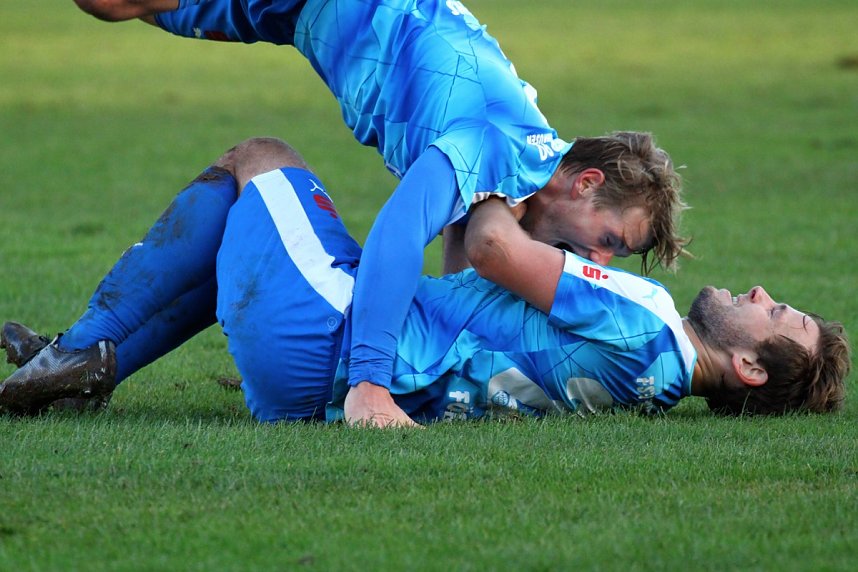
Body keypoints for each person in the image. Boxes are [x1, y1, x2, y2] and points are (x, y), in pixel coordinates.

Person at [67, 0, 688, 426]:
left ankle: (76, 359)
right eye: (611, 239)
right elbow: (398, 232)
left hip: (300, 16)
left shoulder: (511, 184)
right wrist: (369, 382)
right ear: (585, 183)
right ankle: (79, 353)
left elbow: (454, 298)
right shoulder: (501, 143)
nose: (600, 261)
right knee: (255, 155)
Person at [0, 139, 848, 420]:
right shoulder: (652, 387)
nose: (762, 293)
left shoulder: (652, 315)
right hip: (335, 381)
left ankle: (82, 352)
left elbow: (493, 249)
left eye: (781, 314)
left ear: (749, 366)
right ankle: (84, 361)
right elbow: (473, 297)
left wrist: (493, 154)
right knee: (248, 226)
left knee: (258, 161)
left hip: (333, 337)